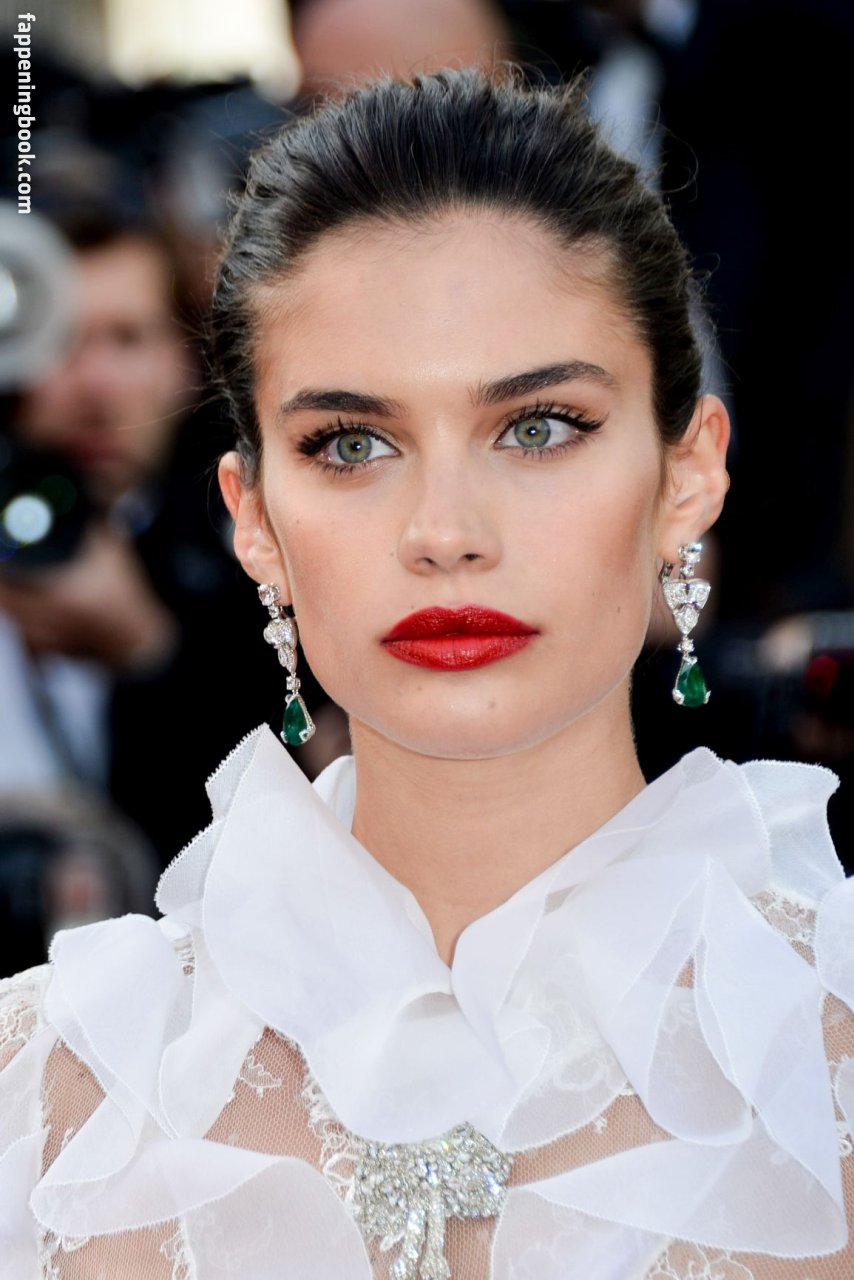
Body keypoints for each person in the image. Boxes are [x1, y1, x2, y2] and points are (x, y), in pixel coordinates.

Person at [1, 66, 852, 1279]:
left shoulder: (828, 1046)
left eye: (538, 426)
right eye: (351, 443)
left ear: (686, 475)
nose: (444, 531)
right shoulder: (48, 1094)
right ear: (254, 518)